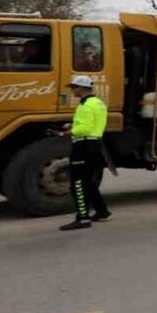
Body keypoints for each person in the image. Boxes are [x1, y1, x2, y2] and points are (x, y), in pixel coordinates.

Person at [56, 75, 111, 231]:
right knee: (89, 181)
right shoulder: (98, 103)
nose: (72, 90)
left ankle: (83, 218)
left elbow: (85, 128)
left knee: (78, 184)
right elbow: (91, 123)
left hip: (83, 145)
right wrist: (72, 125)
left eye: (73, 87)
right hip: (95, 144)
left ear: (81, 88)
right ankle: (102, 211)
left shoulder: (85, 105)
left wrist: (64, 133)